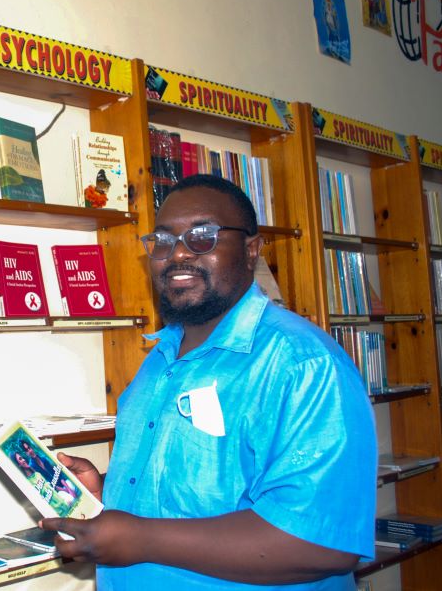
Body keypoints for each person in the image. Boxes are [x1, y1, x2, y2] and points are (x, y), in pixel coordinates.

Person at [41, 175, 376, 590]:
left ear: (251, 250)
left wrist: (140, 540)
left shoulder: (302, 364)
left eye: (203, 236)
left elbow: (322, 543)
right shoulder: (159, 358)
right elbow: (195, 493)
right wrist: (107, 492)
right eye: (162, 240)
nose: (178, 252)